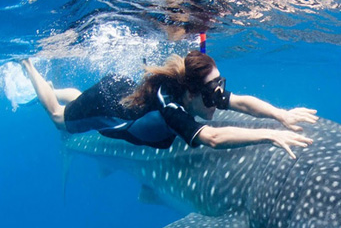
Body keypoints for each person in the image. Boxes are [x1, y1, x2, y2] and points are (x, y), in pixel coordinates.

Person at [21, 51, 318, 159]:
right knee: (60, 119)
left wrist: (281, 114)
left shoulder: (196, 92)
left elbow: (241, 102)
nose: (219, 98)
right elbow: (213, 138)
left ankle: (58, 90)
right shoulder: (172, 109)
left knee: (82, 103)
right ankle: (28, 64)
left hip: (115, 94)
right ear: (190, 94)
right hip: (108, 106)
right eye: (212, 93)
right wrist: (270, 134)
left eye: (219, 89)